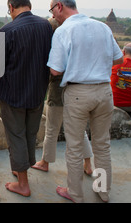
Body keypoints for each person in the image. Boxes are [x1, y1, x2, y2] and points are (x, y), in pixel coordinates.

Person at [47, 0, 123, 203]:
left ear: (59, 6)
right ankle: (103, 190)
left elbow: (54, 70)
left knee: (74, 147)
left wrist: (77, 65)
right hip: (103, 91)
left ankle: (75, 193)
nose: (53, 15)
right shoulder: (102, 27)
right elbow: (118, 59)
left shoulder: (64, 31)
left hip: (78, 92)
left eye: (52, 10)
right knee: (102, 145)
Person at [0, 0, 53, 197]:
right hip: (38, 92)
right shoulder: (46, 26)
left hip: (13, 94)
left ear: (11, 7)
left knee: (16, 136)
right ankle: (20, 168)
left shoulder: (5, 31)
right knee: (30, 133)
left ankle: (23, 183)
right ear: (29, 5)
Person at [32, 18, 93, 175]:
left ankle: (45, 162)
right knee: (80, 130)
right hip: (77, 88)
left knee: (52, 128)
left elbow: (52, 71)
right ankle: (87, 163)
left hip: (58, 90)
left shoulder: (53, 46)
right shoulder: (74, 42)